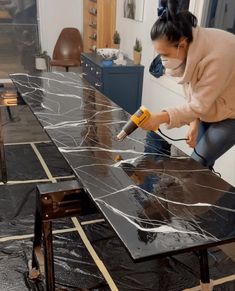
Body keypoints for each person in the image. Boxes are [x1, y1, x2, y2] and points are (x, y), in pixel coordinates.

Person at [140, 0, 235, 169]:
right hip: (211, 105)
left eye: (164, 54)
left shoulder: (218, 57)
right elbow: (194, 93)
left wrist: (159, 118)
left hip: (231, 113)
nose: (162, 60)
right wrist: (194, 123)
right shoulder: (191, 48)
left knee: (197, 163)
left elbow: (198, 104)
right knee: (202, 166)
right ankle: (203, 192)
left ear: (181, 44)